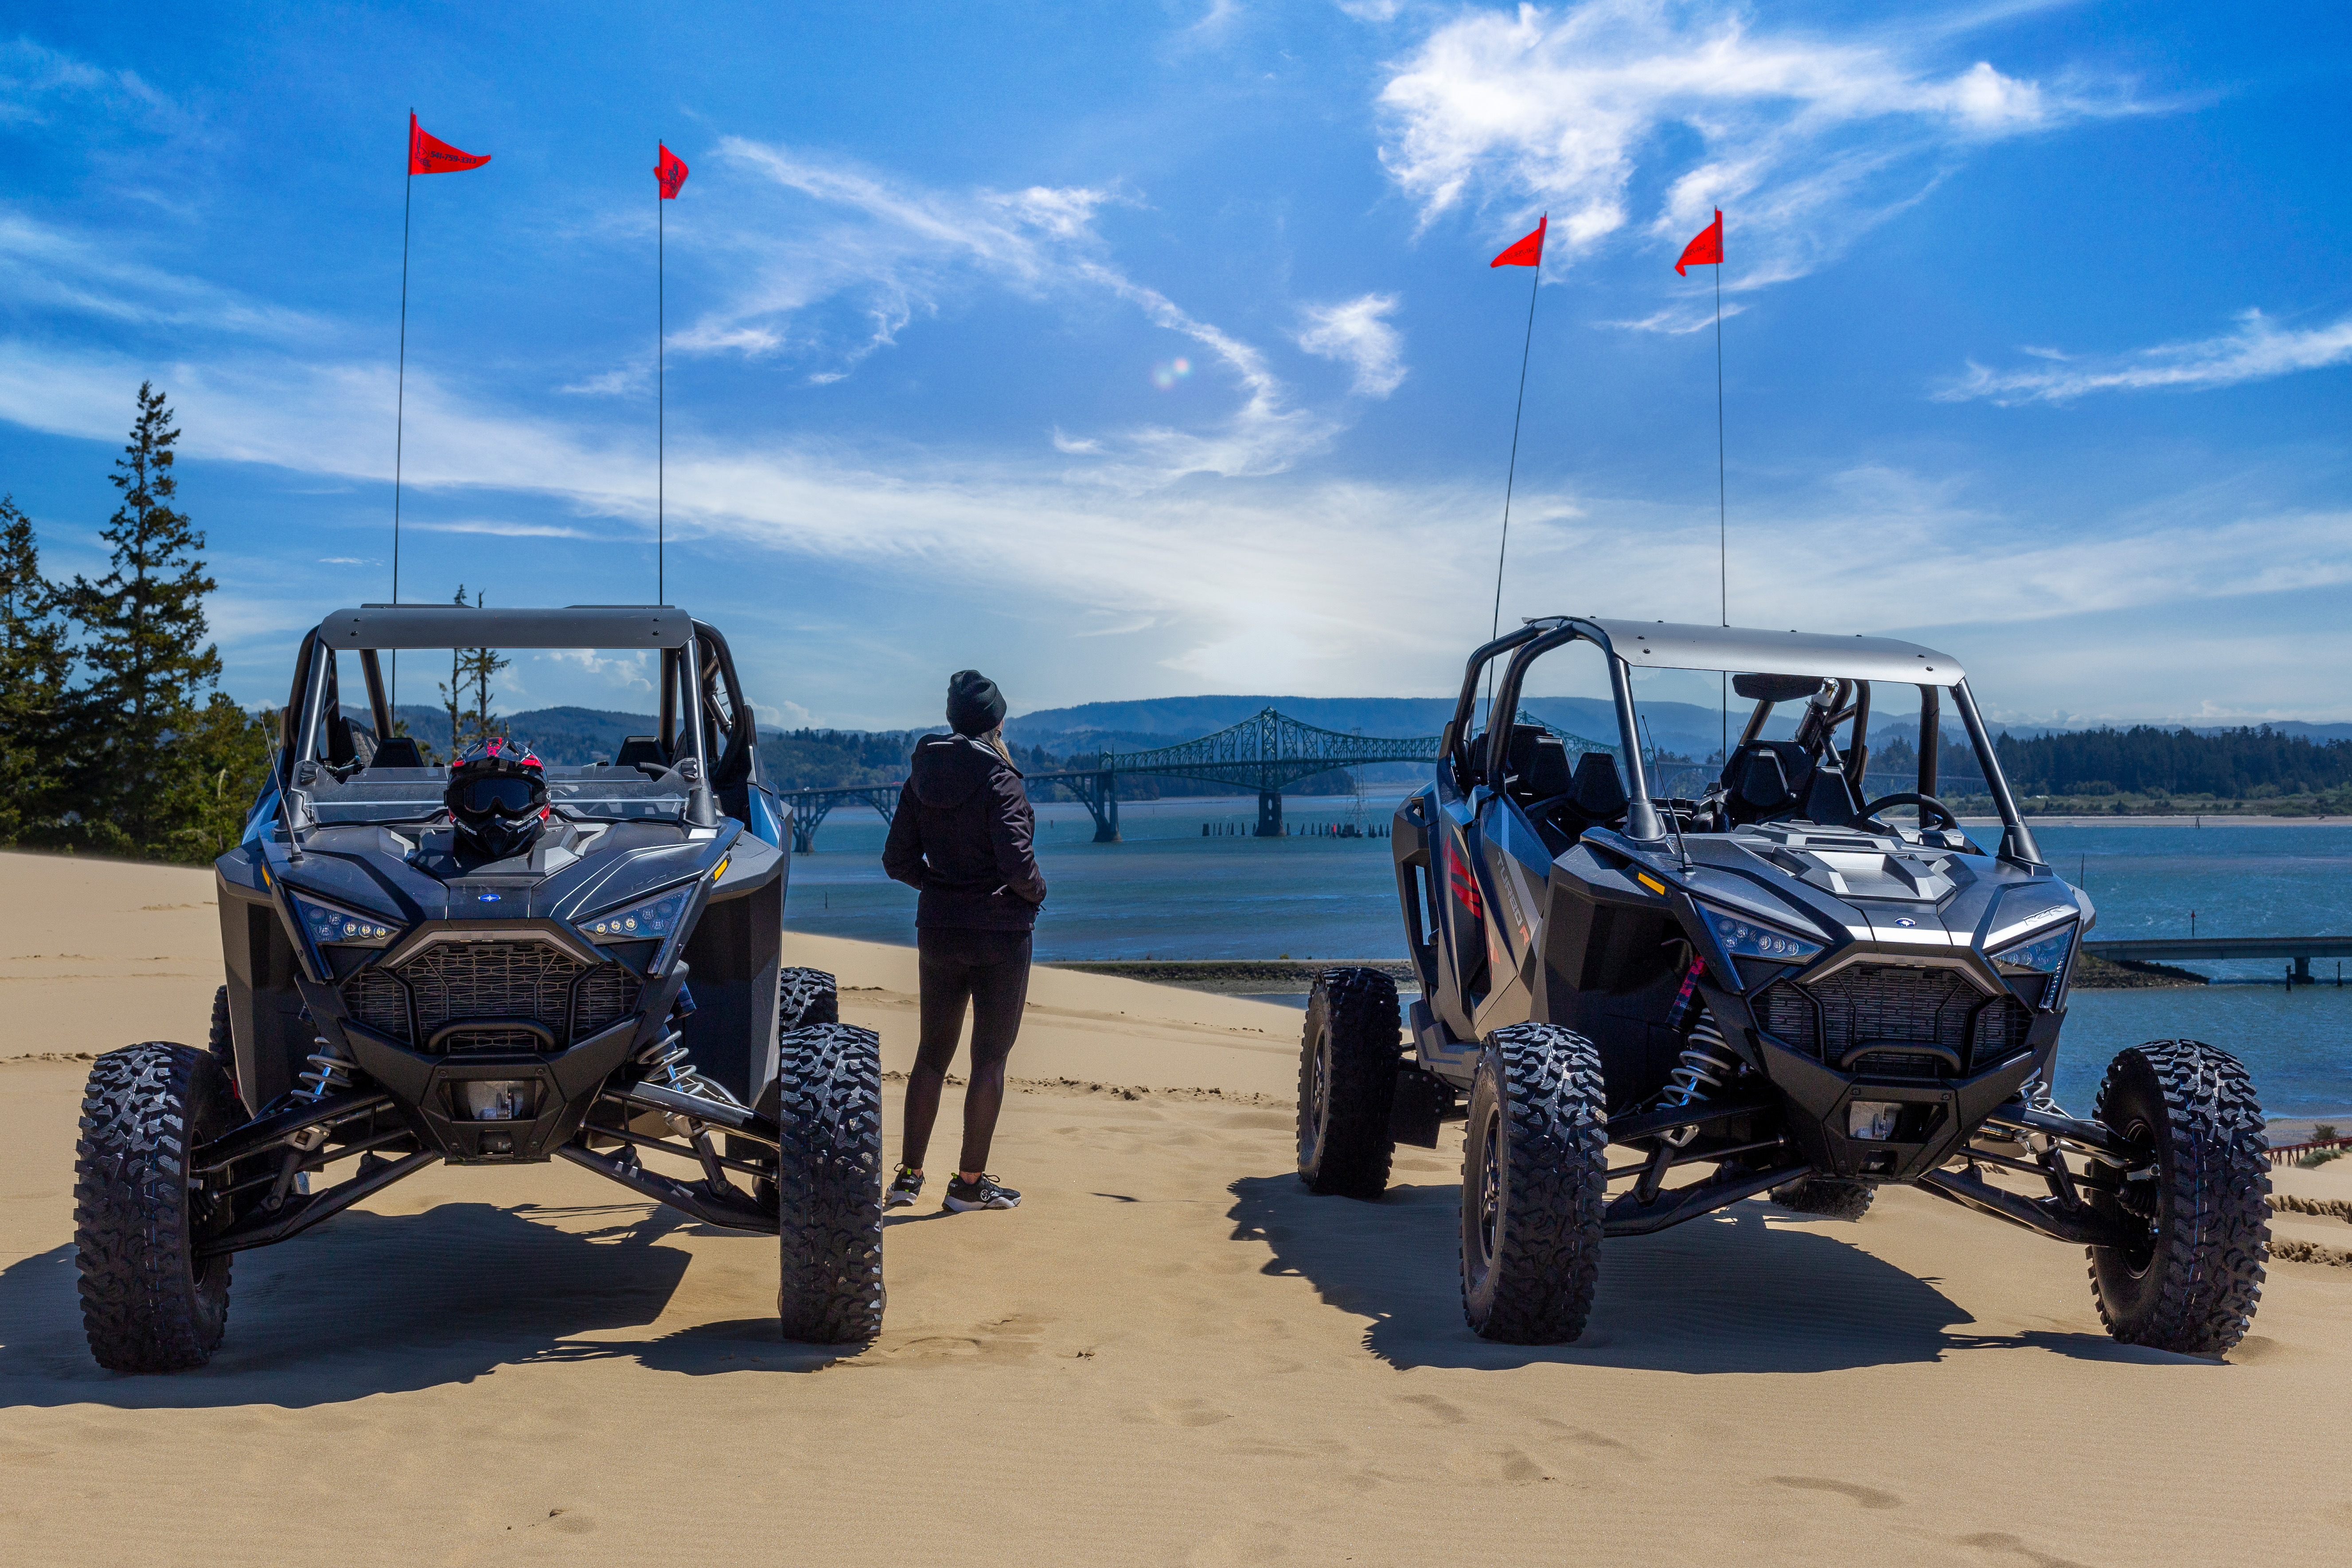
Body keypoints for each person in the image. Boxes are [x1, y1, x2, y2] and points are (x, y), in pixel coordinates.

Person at [880, 670, 1046, 1213]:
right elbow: (1018, 865)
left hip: (939, 931)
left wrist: (941, 888)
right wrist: (1037, 892)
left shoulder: (921, 776)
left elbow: (896, 861)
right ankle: (968, 1186)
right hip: (1000, 935)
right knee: (989, 1061)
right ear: (997, 721)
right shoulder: (1001, 778)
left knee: (931, 1055)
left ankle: (907, 1177)